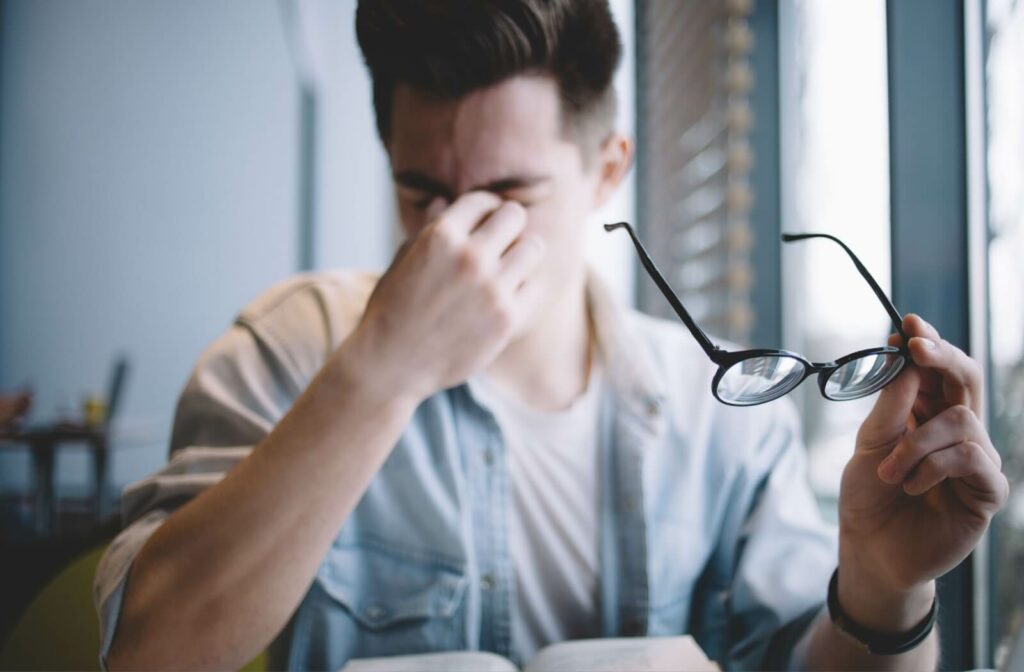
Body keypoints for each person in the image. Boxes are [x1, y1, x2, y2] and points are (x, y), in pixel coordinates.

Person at [95, 1, 1008, 670]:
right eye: (425, 195)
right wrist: (380, 375)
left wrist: (886, 587)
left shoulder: (720, 416)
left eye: (508, 197)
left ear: (607, 169)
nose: (457, 241)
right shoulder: (284, 353)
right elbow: (148, 653)